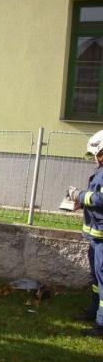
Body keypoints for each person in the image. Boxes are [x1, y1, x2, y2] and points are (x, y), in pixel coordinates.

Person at [68, 129, 103, 337]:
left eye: (97, 155)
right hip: (96, 237)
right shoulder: (100, 171)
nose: (96, 160)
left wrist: (79, 194)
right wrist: (81, 203)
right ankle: (94, 311)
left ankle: (101, 324)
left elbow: (100, 199)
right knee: (97, 279)